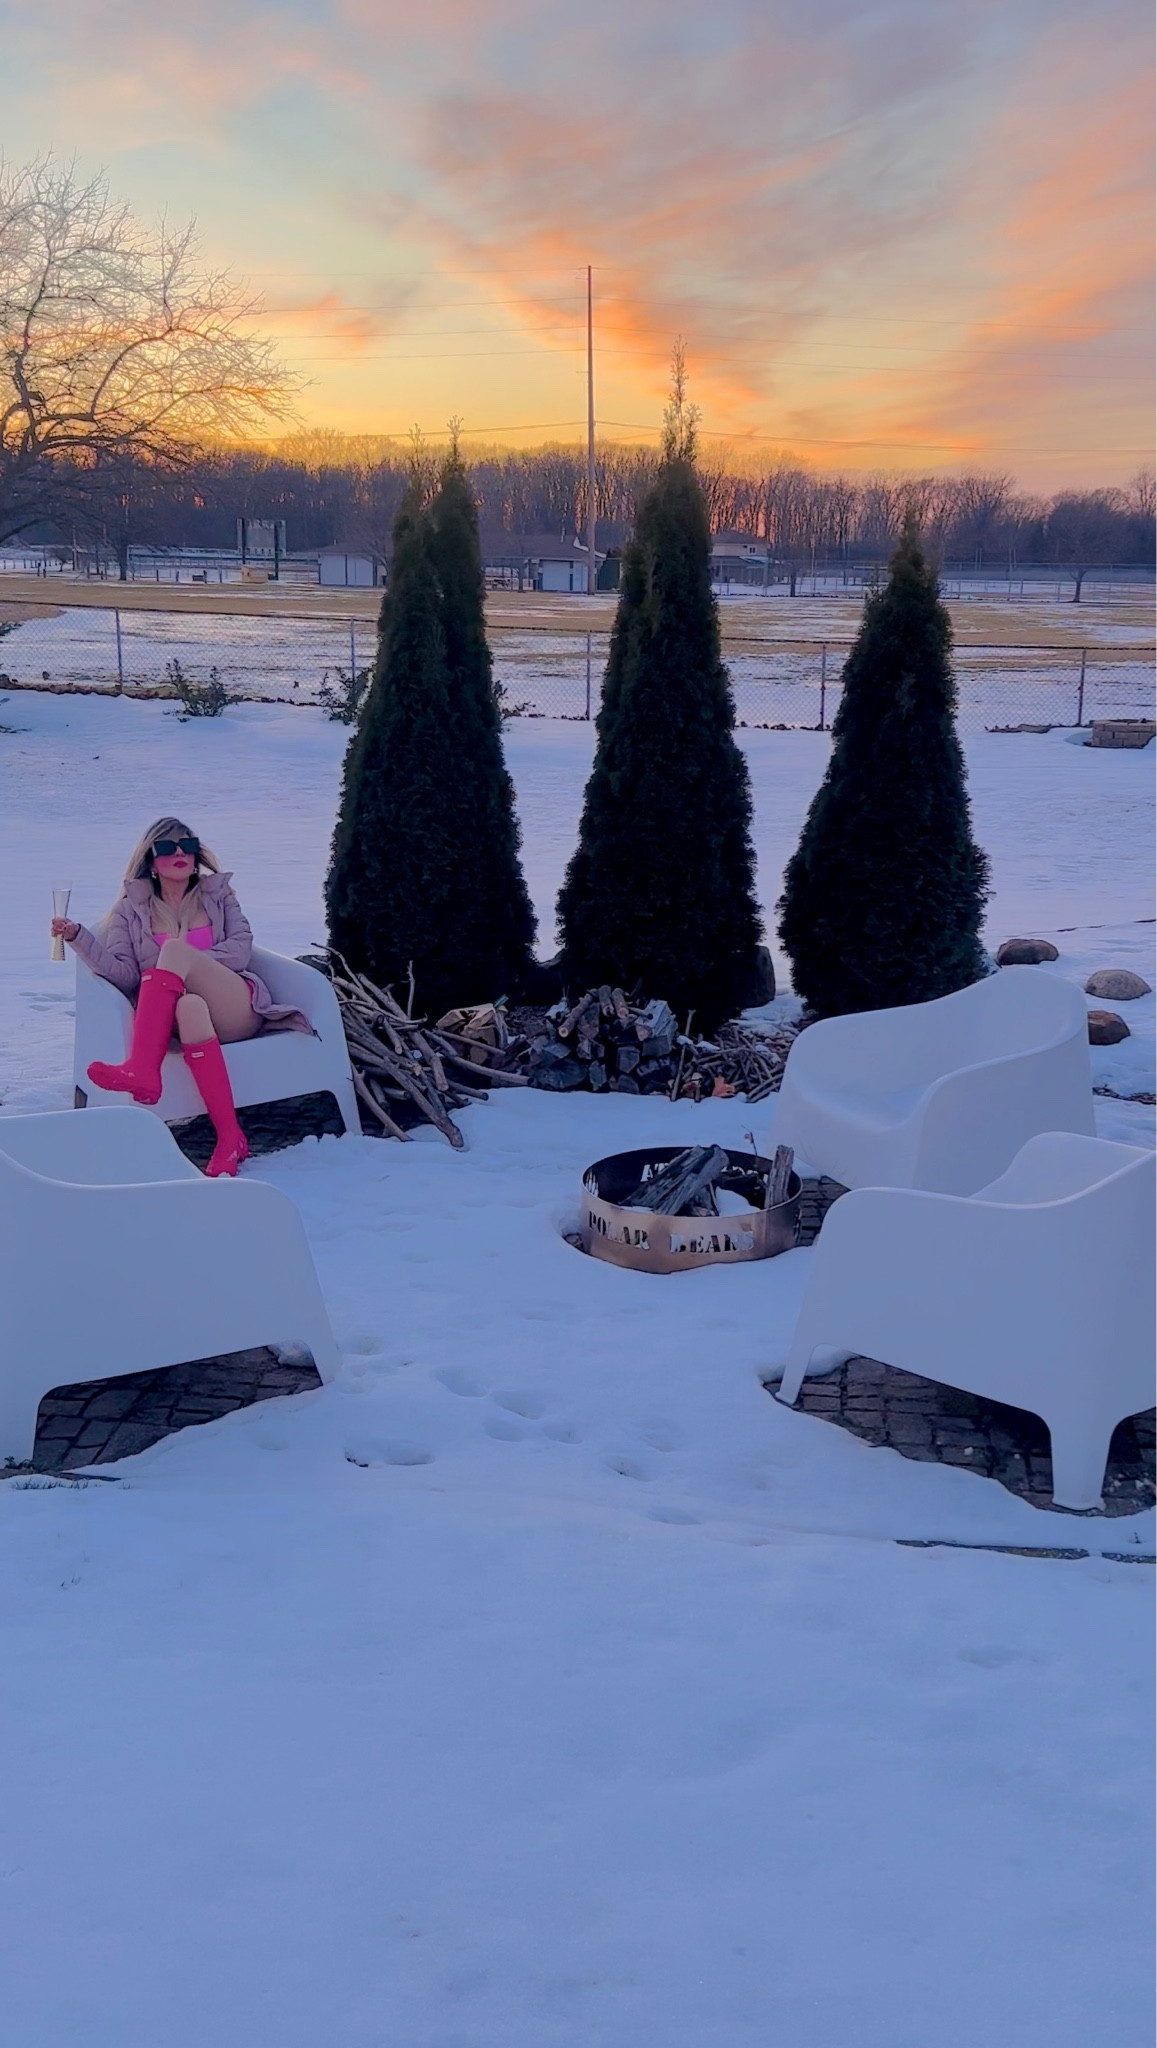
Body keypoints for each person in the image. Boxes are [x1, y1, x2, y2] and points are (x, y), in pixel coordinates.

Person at [53, 817, 311, 1177]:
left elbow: (239, 951)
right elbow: (126, 975)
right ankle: (229, 1137)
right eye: (167, 847)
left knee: (174, 952)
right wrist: (78, 936)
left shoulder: (218, 896)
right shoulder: (131, 910)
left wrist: (188, 962)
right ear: (150, 860)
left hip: (236, 1007)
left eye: (188, 846)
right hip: (184, 1020)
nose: (179, 853)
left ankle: (143, 1068)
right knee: (189, 1005)